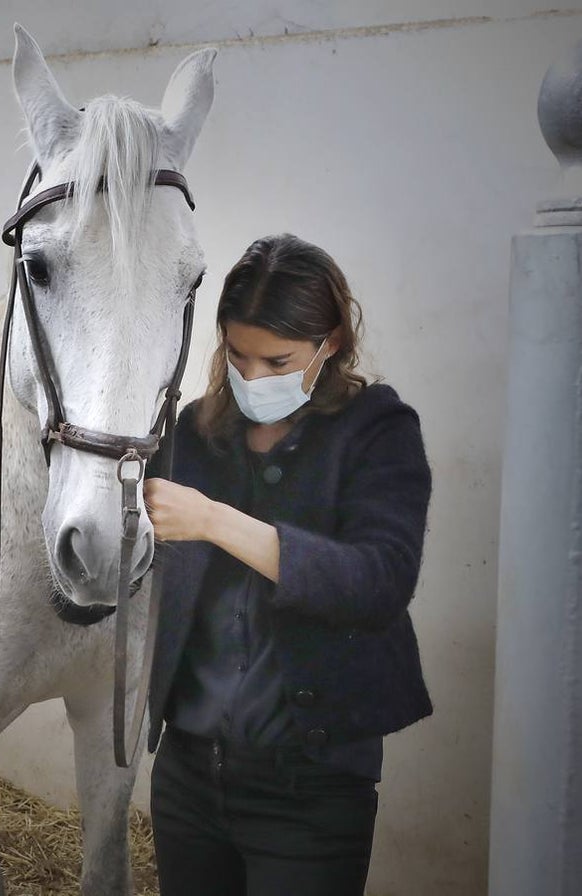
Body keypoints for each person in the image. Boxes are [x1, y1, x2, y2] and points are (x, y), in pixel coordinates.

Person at [143, 233, 432, 896]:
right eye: (238, 356)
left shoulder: (377, 431)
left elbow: (378, 583)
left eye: (278, 361)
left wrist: (215, 521)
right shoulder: (194, 431)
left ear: (329, 343)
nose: (254, 378)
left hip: (310, 792)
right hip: (188, 777)